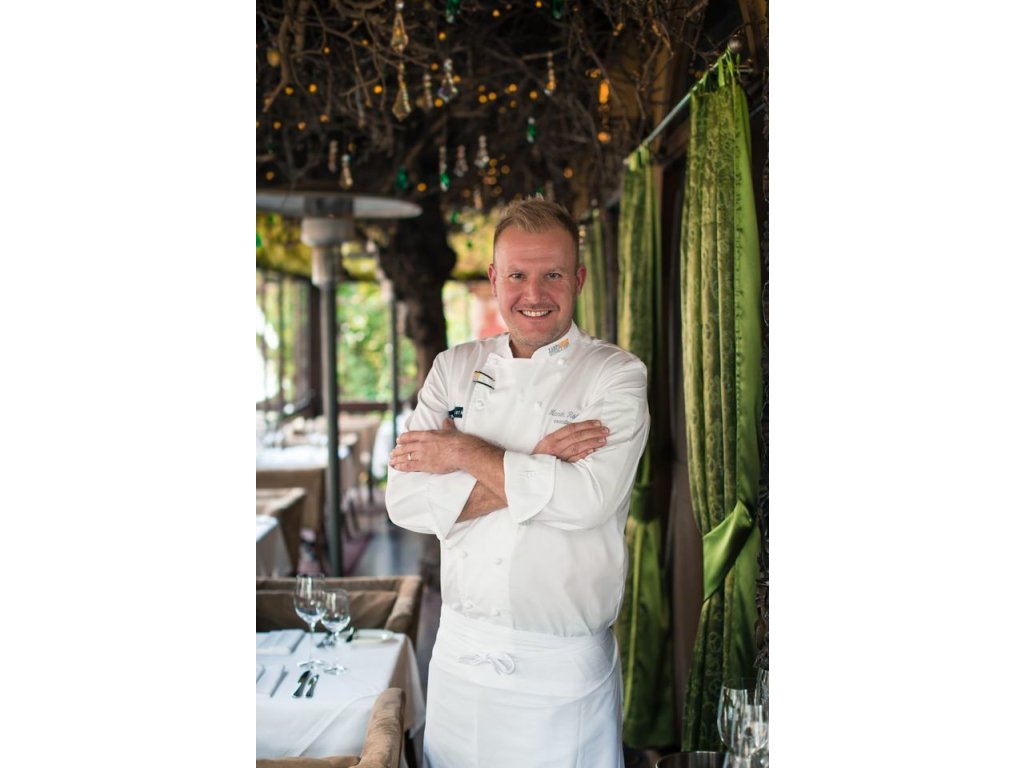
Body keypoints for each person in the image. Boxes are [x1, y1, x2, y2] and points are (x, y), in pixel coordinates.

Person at [385, 197, 650, 768]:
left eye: (552, 274)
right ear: (493, 278)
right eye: (517, 276)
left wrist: (460, 450)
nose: (534, 294)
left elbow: (585, 501)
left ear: (578, 278)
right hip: (460, 658)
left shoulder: (615, 374)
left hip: (562, 672)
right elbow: (404, 502)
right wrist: (536, 459)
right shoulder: (452, 368)